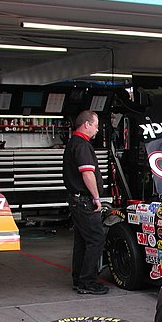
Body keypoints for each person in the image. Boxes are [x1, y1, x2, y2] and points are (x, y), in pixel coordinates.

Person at [62, 110, 108, 295]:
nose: (97, 130)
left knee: (82, 240)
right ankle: (87, 281)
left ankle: (78, 279)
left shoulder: (74, 143)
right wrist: (96, 198)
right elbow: (87, 173)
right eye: (96, 125)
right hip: (84, 201)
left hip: (76, 200)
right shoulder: (81, 145)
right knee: (96, 239)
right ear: (86, 124)